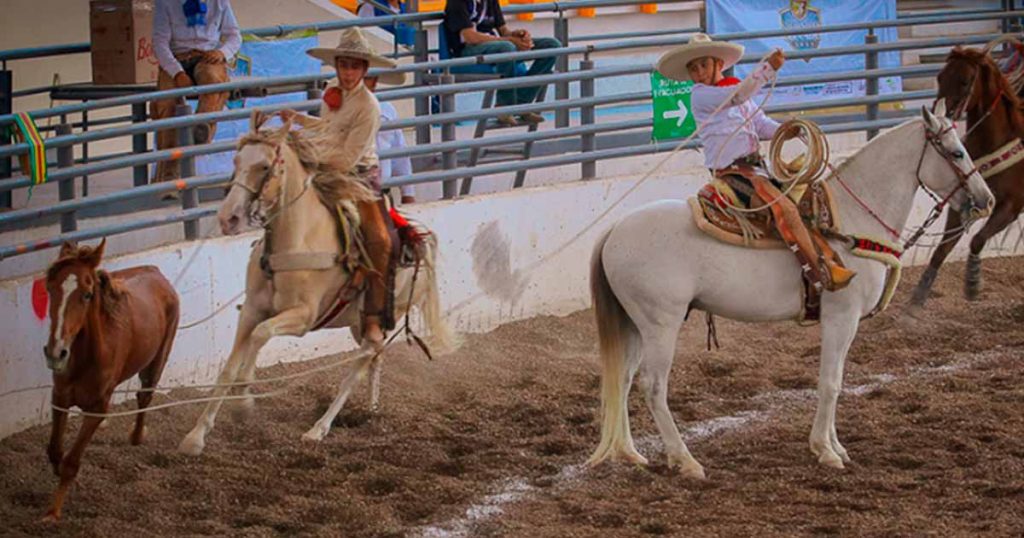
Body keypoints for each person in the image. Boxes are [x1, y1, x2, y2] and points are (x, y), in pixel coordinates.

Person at [656, 34, 854, 292]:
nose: (699, 72)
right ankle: (821, 273)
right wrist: (768, 69)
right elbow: (737, 96)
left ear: (718, 64)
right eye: (693, 68)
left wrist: (788, 129)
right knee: (785, 208)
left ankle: (821, 256)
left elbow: (761, 124)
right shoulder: (702, 95)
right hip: (733, 175)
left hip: (757, 170)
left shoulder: (735, 92)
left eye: (703, 65)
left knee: (806, 200)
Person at [279, 28, 399, 349]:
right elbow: (329, 130)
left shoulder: (369, 107)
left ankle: (372, 316)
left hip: (359, 174)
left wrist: (308, 155)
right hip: (329, 165)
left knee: (377, 237)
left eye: (354, 66)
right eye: (344, 65)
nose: (347, 72)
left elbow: (348, 156)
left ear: (364, 70)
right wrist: (300, 121)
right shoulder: (333, 90)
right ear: (336, 67)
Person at [152, 0, 241, 184]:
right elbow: (160, 43)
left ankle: (200, 128)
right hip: (177, 58)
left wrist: (223, 53)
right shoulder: (166, 3)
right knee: (166, 104)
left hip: (207, 56)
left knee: (215, 83)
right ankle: (168, 175)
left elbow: (234, 36)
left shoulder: (219, 2)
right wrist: (177, 72)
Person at [443, 0, 561, 126]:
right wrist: (509, 40)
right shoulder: (457, 2)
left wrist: (518, 36)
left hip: (498, 45)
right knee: (507, 47)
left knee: (552, 46)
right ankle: (504, 107)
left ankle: (522, 104)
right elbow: (470, 37)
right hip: (468, 50)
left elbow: (503, 30)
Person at [363, 72, 416, 204]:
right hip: (351, 192)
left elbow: (399, 152)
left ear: (374, 82)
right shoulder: (337, 109)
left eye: (367, 78)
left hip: (382, 193)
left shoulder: (386, 109)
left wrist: (408, 193)